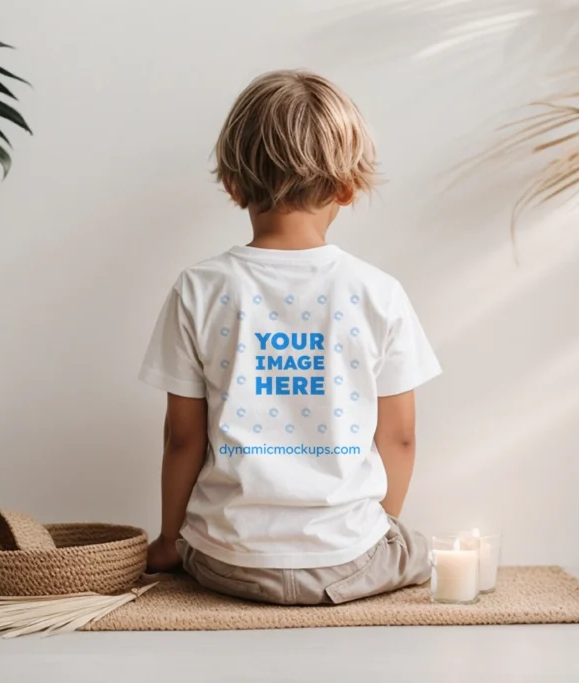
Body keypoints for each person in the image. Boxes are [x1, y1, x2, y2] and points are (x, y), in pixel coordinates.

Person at [138, 70, 442, 605]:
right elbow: (399, 438)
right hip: (349, 561)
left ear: (233, 185)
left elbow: (182, 438)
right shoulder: (378, 292)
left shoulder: (199, 288)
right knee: (432, 552)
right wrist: (381, 527)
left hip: (226, 561)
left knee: (196, 545)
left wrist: (168, 542)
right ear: (348, 189)